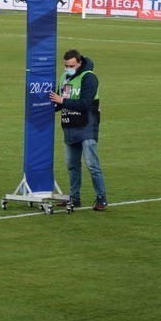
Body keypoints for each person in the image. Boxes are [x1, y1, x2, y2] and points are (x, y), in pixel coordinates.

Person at [49, 49, 107, 211]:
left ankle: (101, 197)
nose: (68, 68)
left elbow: (85, 103)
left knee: (91, 164)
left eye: (71, 65)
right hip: (69, 126)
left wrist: (62, 101)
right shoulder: (63, 77)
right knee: (71, 165)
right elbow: (59, 102)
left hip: (87, 126)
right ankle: (75, 198)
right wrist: (45, 108)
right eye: (66, 65)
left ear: (79, 63)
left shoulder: (89, 78)